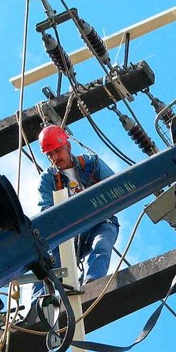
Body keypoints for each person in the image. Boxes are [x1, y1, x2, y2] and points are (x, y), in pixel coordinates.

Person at [35, 124, 119, 289]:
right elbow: (46, 212)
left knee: (102, 244)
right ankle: (40, 304)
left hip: (99, 222)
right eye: (50, 154)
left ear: (68, 146)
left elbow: (115, 188)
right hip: (67, 233)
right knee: (45, 265)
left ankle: (92, 283)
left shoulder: (91, 163)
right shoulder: (48, 179)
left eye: (58, 151)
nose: (55, 157)